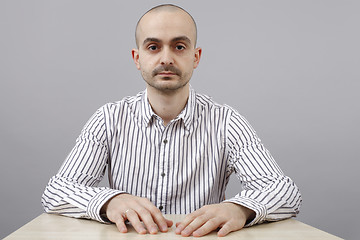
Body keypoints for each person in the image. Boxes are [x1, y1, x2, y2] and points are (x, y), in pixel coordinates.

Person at [41, 4, 302, 237]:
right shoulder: (109, 119)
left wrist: (239, 209)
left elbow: (285, 192)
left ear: (195, 57)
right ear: (137, 58)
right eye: (153, 47)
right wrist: (110, 201)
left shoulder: (227, 122)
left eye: (179, 46)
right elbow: (56, 192)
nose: (166, 58)